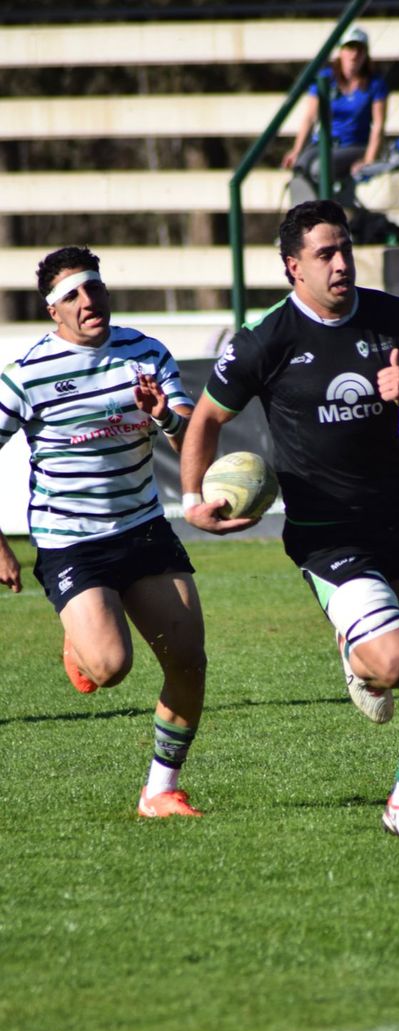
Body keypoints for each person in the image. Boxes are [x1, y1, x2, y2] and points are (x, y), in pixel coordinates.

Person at [180, 199, 399, 838]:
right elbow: (205, 417)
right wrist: (193, 499)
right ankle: (356, 650)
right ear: (293, 268)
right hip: (327, 533)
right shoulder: (267, 339)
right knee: (395, 662)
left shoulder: (396, 318)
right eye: (325, 254)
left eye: (345, 249)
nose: (341, 264)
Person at [0, 246, 207, 819]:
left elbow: (191, 440)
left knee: (188, 660)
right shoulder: (27, 376)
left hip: (142, 528)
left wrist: (165, 414)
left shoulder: (145, 353)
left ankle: (159, 790)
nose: (88, 301)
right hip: (71, 542)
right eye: (72, 295)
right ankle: (83, 634)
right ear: (53, 311)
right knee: (110, 669)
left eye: (94, 288)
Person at [282, 25, 388, 203]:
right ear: (340, 52)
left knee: (319, 168)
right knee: (301, 167)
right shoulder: (326, 79)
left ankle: (325, 213)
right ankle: (303, 218)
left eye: (359, 49)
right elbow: (309, 118)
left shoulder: (375, 84)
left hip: (353, 145)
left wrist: (369, 159)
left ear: (365, 54)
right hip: (324, 143)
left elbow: (378, 124)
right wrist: (296, 150)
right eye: (349, 48)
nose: (354, 55)